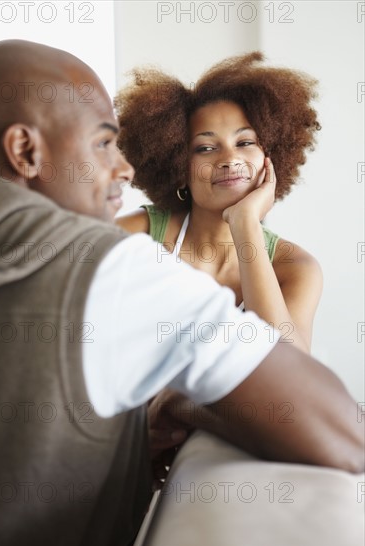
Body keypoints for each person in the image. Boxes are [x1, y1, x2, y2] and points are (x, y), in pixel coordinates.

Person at [0, 41, 363, 546]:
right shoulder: (118, 262)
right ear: (25, 151)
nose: (123, 171)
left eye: (246, 142)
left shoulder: (294, 265)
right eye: (103, 143)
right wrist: (187, 404)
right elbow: (342, 431)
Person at [115, 53, 322, 352]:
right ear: (178, 166)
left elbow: (291, 370)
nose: (229, 160)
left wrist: (245, 222)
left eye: (245, 142)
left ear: (271, 158)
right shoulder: (136, 237)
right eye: (206, 148)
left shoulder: (295, 268)